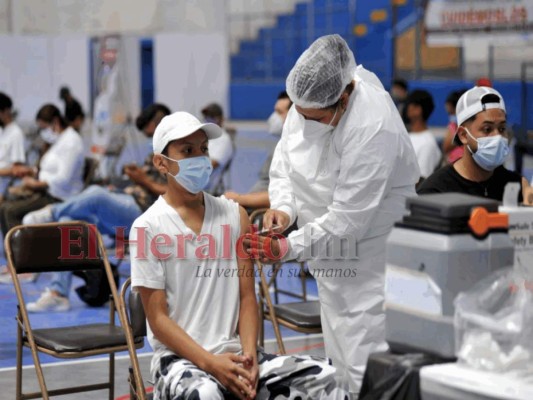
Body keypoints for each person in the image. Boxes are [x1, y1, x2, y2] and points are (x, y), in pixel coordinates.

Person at [244, 35, 420, 396]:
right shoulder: (308, 101)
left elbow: (348, 220)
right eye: (300, 114)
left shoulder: (373, 125)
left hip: (374, 261)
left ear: (344, 96)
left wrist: (286, 248)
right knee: (338, 365)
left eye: (317, 118)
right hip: (330, 256)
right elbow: (285, 165)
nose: (305, 123)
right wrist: (283, 208)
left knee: (367, 366)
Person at [130, 111, 347, 399]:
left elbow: (248, 297)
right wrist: (211, 363)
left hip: (235, 354)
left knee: (331, 379)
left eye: (203, 150)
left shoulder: (235, 215)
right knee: (206, 394)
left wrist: (249, 359)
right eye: (187, 151)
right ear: (161, 163)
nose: (200, 158)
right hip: (179, 362)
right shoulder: (147, 227)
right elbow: (157, 319)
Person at [22, 103, 170, 311]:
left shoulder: (176, 154)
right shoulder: (154, 152)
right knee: (71, 224)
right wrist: (128, 182)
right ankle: (58, 294)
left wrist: (142, 179)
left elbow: (172, 193)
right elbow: (143, 181)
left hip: (145, 212)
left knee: (96, 195)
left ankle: (51, 212)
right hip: (127, 202)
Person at [418, 86, 533, 203]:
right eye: (487, 129)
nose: (497, 137)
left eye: (502, 128)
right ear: (463, 135)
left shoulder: (516, 186)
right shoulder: (435, 192)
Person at [224, 91, 292, 209]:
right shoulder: (281, 146)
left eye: (279, 112)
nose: (273, 118)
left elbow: (286, 197)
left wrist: (239, 199)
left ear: (294, 115)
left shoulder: (294, 153)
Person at [404, 89, 441, 180]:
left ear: (418, 109)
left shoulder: (427, 143)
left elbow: (421, 180)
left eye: (409, 104)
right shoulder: (407, 136)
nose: (407, 108)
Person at [200, 103, 234, 194]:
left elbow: (211, 165)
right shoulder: (203, 136)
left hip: (203, 185)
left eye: (212, 117)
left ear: (221, 119)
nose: (208, 119)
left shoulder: (224, 140)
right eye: (206, 116)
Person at [0, 92, 26, 197]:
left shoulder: (16, 133)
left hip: (4, 186)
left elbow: (17, 170)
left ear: (5, 111)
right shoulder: (3, 131)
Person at [441, 89, 466, 164]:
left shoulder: (455, 123)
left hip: (457, 161)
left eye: (447, 104)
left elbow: (446, 147)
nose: (445, 107)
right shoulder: (456, 121)